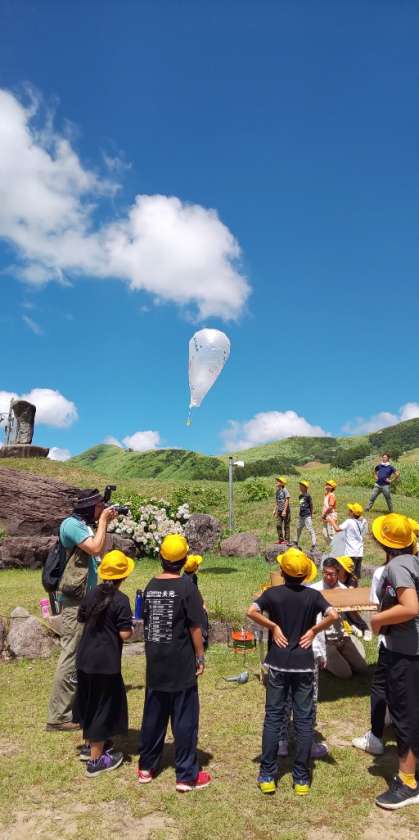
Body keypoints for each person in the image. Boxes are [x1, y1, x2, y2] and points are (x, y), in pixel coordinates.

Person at [247, 547, 338, 796]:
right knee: (304, 720)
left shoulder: (272, 594)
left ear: (282, 571)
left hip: (278, 663)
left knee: (273, 717)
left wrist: (273, 626)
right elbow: (333, 614)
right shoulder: (313, 596)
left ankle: (268, 775)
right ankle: (301, 779)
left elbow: (251, 611)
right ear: (306, 574)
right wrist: (314, 631)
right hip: (304, 665)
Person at [138, 534, 211, 792]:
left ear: (161, 557)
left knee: (153, 715)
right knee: (184, 718)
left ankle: (146, 767)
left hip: (156, 660)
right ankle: (186, 775)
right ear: (183, 560)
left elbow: (146, 620)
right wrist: (200, 655)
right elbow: (195, 627)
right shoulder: (186, 587)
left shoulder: (150, 585)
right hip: (180, 662)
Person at [46, 489, 117, 731]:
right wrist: (104, 521)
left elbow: (100, 552)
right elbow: (95, 549)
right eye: (100, 506)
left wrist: (104, 524)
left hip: (86, 598)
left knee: (83, 652)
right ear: (90, 507)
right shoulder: (71, 525)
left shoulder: (85, 526)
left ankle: (76, 705)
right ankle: (58, 716)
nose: (102, 509)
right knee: (71, 653)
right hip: (74, 601)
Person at [368, 514, 419, 810]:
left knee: (404, 715)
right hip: (412, 650)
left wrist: (378, 620)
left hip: (405, 653)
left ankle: (408, 782)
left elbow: (410, 607)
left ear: (382, 542)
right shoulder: (413, 562)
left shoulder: (397, 566)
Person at [73, 550, 134, 777]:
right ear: (123, 576)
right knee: (102, 706)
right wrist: (131, 626)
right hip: (105, 663)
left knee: (89, 702)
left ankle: (90, 745)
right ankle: (96, 761)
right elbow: (125, 634)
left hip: (84, 658)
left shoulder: (92, 593)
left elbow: (81, 617)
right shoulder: (121, 600)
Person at [311, 559, 368, 679]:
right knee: (345, 674)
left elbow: (354, 613)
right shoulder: (314, 590)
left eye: (331, 574)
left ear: (338, 573)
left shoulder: (343, 589)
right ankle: (321, 660)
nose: (328, 577)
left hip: (342, 637)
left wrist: (347, 599)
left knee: (362, 669)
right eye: (325, 573)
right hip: (326, 641)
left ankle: (350, 644)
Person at [330, 503, 368, 579]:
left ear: (352, 513)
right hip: (359, 552)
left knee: (347, 575)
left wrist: (331, 521)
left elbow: (337, 529)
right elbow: (363, 518)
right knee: (356, 576)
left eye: (350, 510)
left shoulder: (349, 521)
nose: (348, 511)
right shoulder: (363, 521)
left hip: (351, 552)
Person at [335, 555, 370, 637]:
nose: (336, 566)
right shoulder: (334, 575)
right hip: (337, 602)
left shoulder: (352, 579)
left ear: (344, 569)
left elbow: (349, 594)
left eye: (339, 565)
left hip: (349, 603)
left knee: (350, 611)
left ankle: (365, 628)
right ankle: (350, 625)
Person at [183, 554, 209, 649]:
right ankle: (201, 637)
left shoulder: (194, 578)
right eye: (198, 565)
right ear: (195, 568)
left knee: (203, 611)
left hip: (193, 604)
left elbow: (196, 592)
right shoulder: (185, 582)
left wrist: (202, 603)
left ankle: (203, 636)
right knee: (200, 615)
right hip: (188, 607)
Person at [296, 481, 316, 550]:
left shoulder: (308, 496)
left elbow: (311, 505)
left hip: (307, 515)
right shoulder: (300, 496)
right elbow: (301, 505)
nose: (300, 487)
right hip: (301, 515)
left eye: (301, 486)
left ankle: (314, 544)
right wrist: (299, 514)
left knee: (310, 529)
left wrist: (311, 514)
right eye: (300, 486)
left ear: (305, 488)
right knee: (298, 528)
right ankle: (296, 542)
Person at [274, 476, 291, 544]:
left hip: (285, 511)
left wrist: (284, 510)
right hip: (279, 511)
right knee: (278, 525)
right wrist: (275, 510)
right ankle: (280, 539)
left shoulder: (285, 490)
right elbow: (277, 501)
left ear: (282, 483)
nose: (276, 482)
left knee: (286, 525)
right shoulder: (277, 491)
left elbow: (287, 500)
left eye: (278, 481)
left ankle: (287, 540)